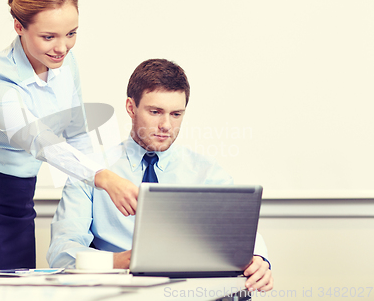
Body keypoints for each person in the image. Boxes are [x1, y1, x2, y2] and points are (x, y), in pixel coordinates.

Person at [0, 0, 138, 270]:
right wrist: (102, 177)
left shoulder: (65, 64)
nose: (63, 47)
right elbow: (37, 139)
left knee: (23, 291)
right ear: (19, 27)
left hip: (21, 198)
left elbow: (76, 133)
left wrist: (107, 182)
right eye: (49, 37)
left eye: (71, 34)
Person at [47, 59, 274, 292]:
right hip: (116, 291)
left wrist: (259, 259)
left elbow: (240, 233)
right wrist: (120, 262)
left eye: (176, 114)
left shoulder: (206, 172)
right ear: (130, 107)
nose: (166, 125)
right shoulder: (91, 171)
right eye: (155, 112)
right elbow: (61, 252)